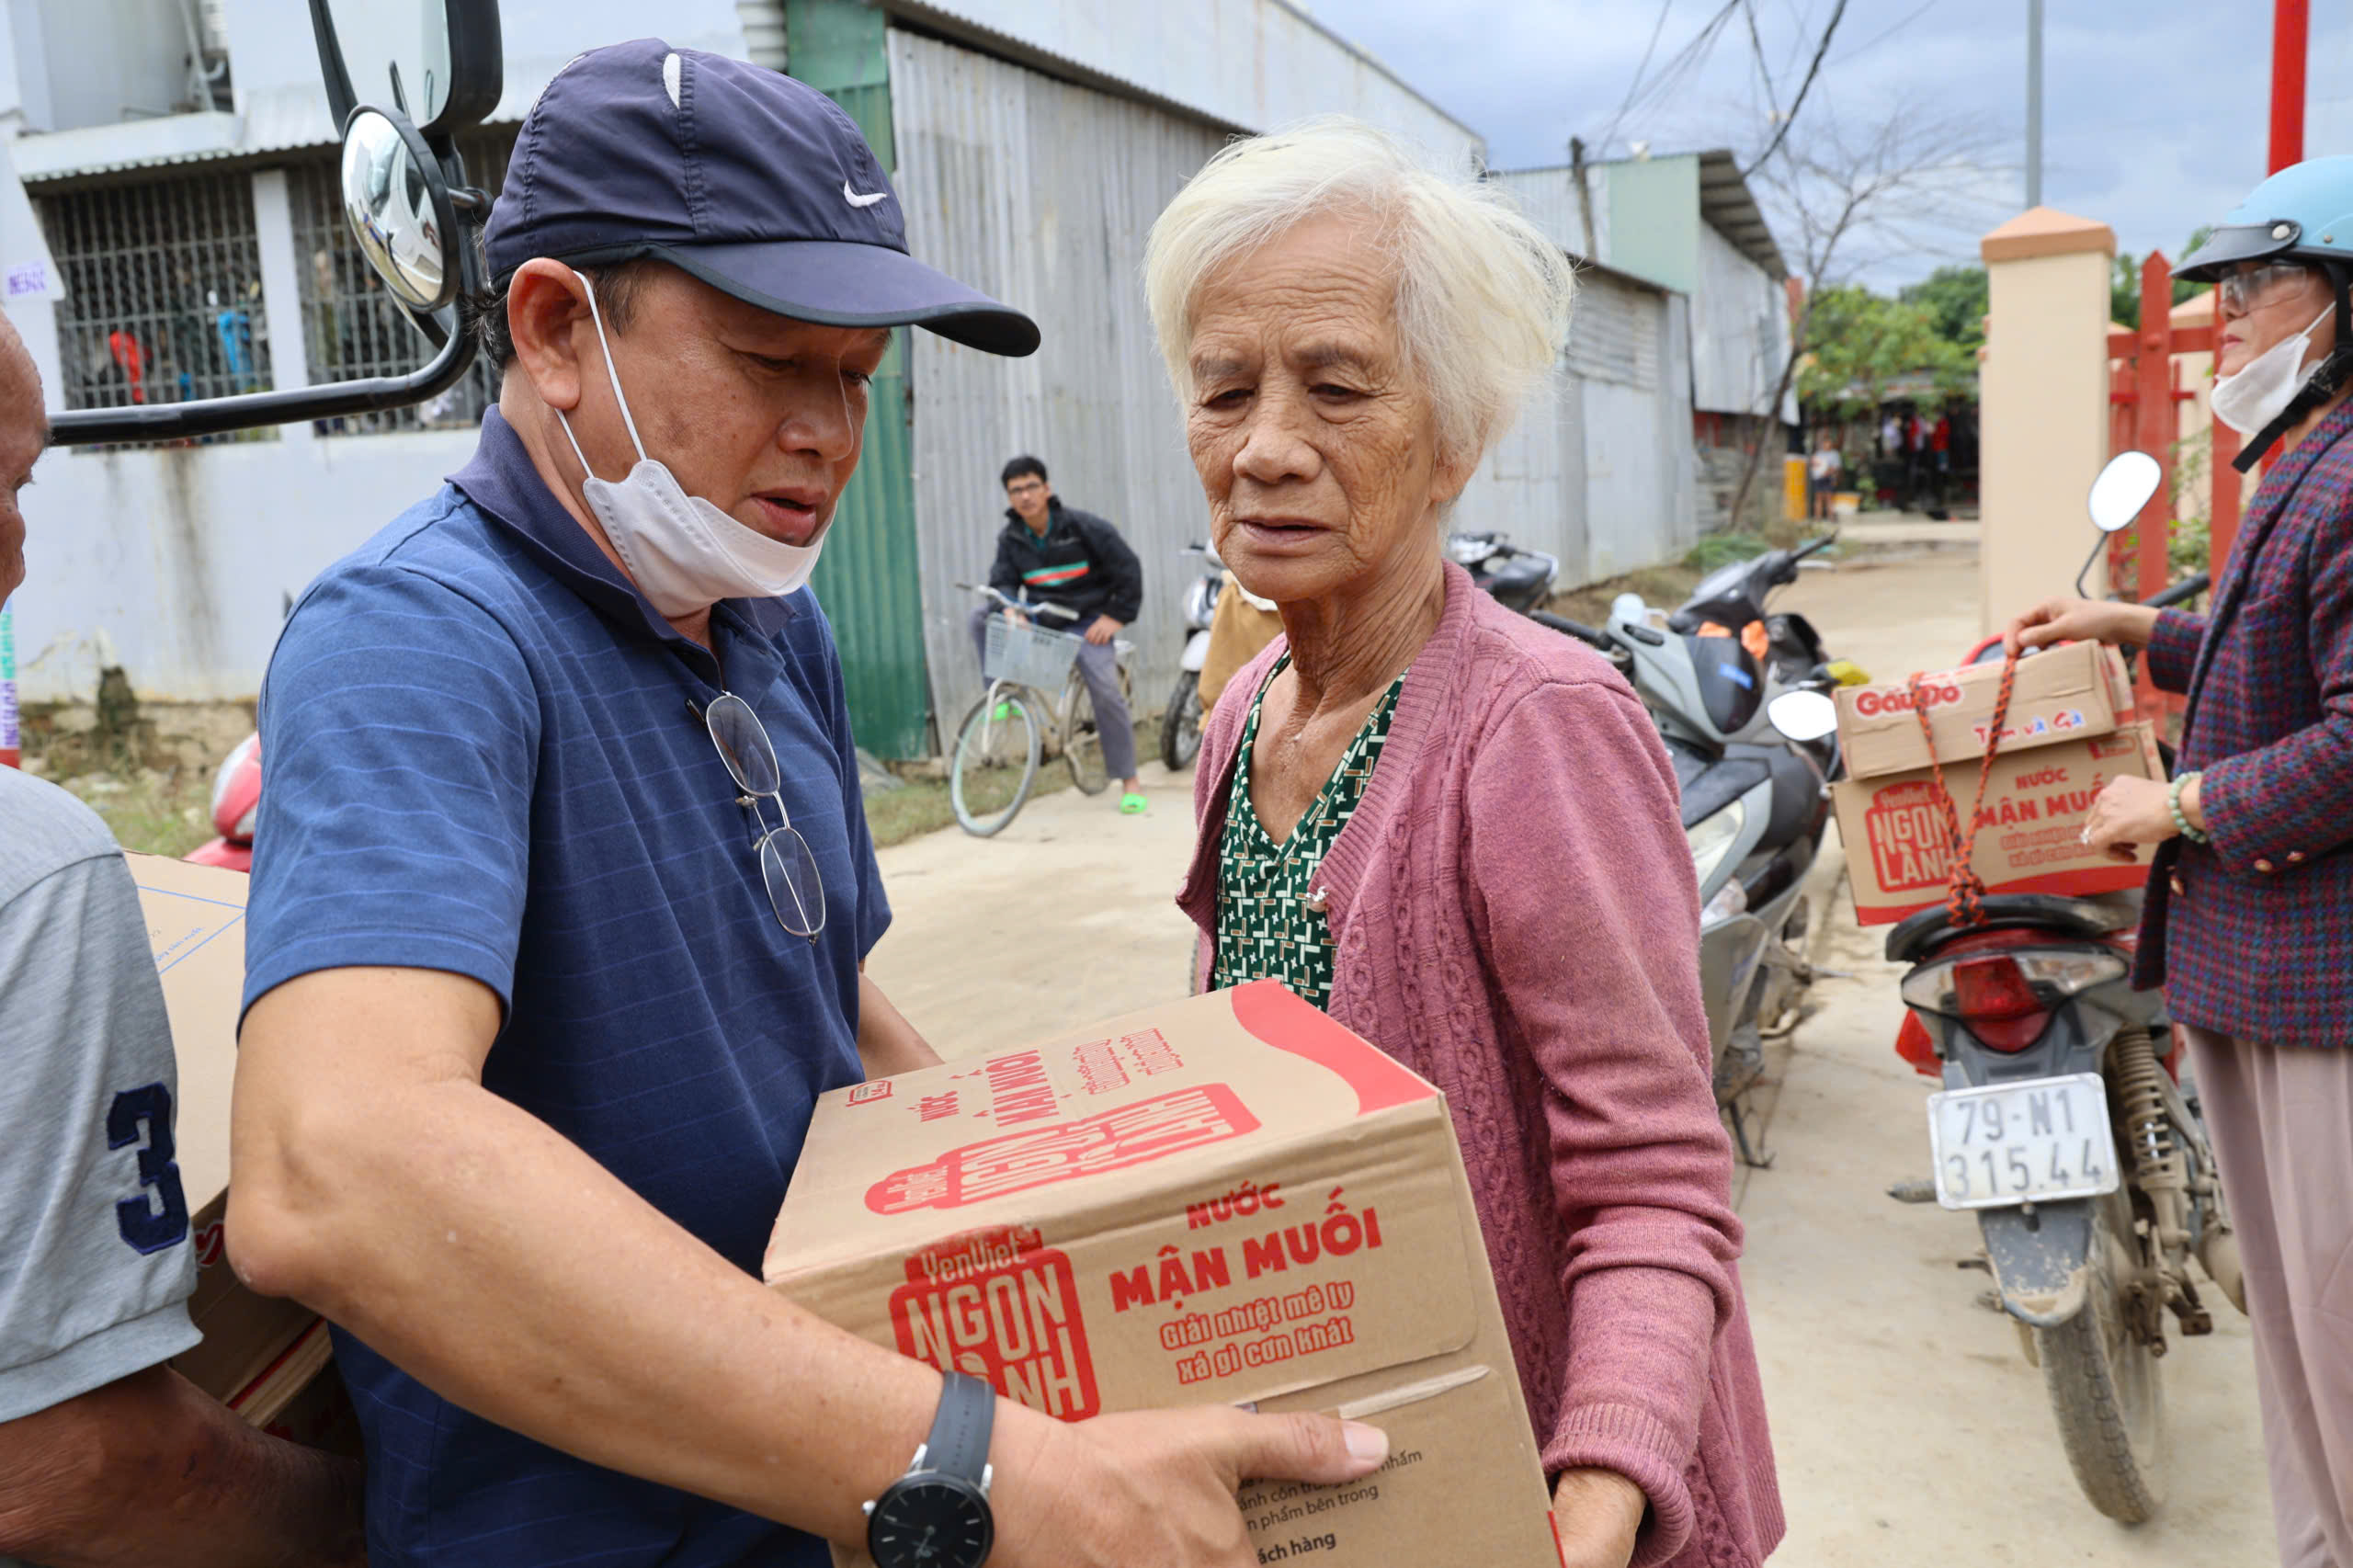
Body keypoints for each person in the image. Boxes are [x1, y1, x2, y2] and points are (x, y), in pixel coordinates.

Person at [228, 43, 1386, 1568]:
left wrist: (1066, 1226)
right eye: (774, 361)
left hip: (832, 1506)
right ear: (558, 328)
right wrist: (976, 1465)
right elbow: (336, 1161)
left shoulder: (768, 620)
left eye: (856, 378)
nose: (830, 433)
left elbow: (821, 1000)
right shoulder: (422, 638)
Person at [1147, 119, 1781, 1568]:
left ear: (1456, 436)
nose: (1265, 447)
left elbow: (1656, 1177)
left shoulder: (1536, 727)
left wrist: (1597, 1494)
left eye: (1336, 387)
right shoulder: (1243, 713)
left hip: (1544, 1492)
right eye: (1225, 389)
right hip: (1347, 1472)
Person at [2006, 155, 2353, 1568]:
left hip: (2319, 987)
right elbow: (2276, 655)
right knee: (2294, 1329)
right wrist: (2132, 627)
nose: (2229, 321)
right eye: (2221, 292)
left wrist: (2186, 804)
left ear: (2341, 303)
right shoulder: (2305, 462)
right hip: (2253, 974)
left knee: (2334, 1321)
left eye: (2258, 288)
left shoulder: (2351, 473)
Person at [0, 319, 364, 1564]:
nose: (21, 553)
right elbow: (68, 1468)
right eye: (5, 487)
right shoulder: (35, 870)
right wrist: (391, 1527)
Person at [974, 456, 1146, 810]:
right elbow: (1002, 583)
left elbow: (1128, 569)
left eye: (1031, 487)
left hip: (1087, 623)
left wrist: (1115, 617)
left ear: (1047, 489)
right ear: (1009, 498)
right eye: (1016, 490)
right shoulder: (1011, 538)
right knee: (981, 617)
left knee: (1106, 690)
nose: (1025, 496)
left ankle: (1130, 781)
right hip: (1043, 619)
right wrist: (1010, 610)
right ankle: (1002, 696)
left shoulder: (1084, 528)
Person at [1806, 431, 1842, 521]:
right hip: (1818, 478)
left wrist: (1828, 472)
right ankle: (1817, 517)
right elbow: (1814, 465)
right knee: (1818, 498)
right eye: (1825, 443)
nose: (1826, 445)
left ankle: (1831, 517)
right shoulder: (1818, 454)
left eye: (1828, 443)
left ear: (1831, 444)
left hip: (1829, 478)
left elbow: (1836, 467)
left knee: (1829, 498)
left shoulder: (1834, 454)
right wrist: (1813, 464)